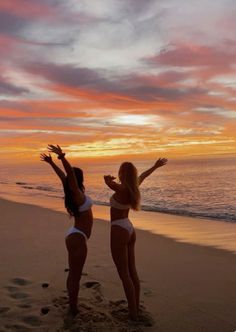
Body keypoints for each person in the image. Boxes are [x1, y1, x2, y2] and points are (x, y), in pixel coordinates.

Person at [104, 158, 168, 320]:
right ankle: (135, 308)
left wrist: (107, 179)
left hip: (119, 229)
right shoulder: (133, 187)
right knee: (132, 271)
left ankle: (132, 313)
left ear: (121, 173)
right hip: (129, 228)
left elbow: (107, 182)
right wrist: (155, 166)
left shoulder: (121, 189)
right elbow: (144, 175)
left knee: (124, 274)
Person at [40, 145, 93, 315]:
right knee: (75, 275)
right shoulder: (76, 194)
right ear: (78, 180)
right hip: (77, 237)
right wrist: (62, 158)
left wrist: (51, 163)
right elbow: (68, 175)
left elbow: (63, 176)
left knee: (73, 273)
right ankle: (73, 308)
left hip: (76, 235)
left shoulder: (72, 193)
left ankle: (72, 305)